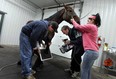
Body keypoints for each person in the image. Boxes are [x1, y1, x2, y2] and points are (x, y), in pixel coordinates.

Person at [70, 13, 101, 79]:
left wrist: (73, 21)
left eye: (90, 19)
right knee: (88, 70)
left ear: (94, 21)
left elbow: (78, 27)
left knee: (84, 70)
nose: (88, 19)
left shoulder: (91, 26)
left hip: (90, 52)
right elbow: (80, 29)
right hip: (94, 52)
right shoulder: (93, 28)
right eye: (88, 18)